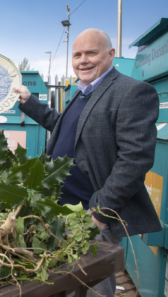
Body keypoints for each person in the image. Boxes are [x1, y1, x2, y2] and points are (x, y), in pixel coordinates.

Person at [13, 28, 161, 297]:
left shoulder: (132, 92)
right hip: (61, 209)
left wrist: (100, 214)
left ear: (111, 54)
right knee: (62, 281)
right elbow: (66, 128)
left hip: (89, 214)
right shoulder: (82, 92)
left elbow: (135, 160)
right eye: (77, 54)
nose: (83, 60)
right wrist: (29, 102)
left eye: (91, 53)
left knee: (90, 286)